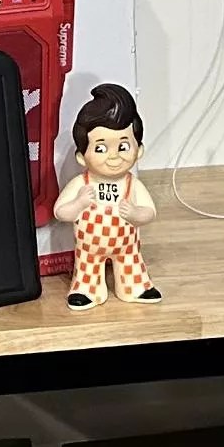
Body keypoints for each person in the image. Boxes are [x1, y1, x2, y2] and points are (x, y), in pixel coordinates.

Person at [54, 82, 161, 308]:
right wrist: (78, 203)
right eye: (101, 148)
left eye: (123, 147)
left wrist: (135, 213)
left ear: (139, 150)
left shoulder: (132, 184)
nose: (114, 157)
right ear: (81, 156)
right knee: (87, 267)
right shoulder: (81, 184)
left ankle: (135, 286)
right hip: (89, 248)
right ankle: (87, 289)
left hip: (127, 246)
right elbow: (60, 212)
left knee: (131, 262)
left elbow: (150, 212)